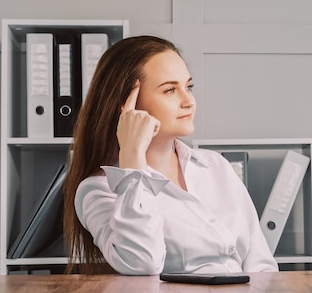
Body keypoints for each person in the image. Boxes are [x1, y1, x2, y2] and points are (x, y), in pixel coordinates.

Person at [63, 35, 278, 275]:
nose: (189, 101)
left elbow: (262, 264)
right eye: (170, 90)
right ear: (126, 104)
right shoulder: (98, 189)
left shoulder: (216, 166)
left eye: (188, 87)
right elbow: (142, 263)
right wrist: (132, 156)